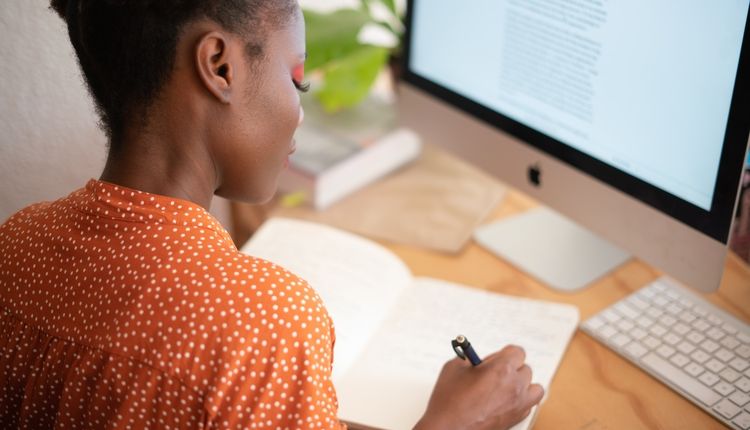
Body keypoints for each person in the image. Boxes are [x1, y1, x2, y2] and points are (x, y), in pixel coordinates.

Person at [0, 1, 544, 429]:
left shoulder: (16, 243)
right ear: (220, 65)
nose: (300, 110)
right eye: (296, 78)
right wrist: (453, 423)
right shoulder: (265, 324)